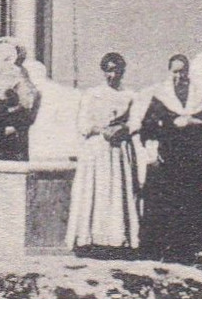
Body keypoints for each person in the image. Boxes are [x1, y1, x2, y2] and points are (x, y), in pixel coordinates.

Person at [139, 54, 202, 260]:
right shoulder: (161, 96)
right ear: (169, 72)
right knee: (168, 198)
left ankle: (189, 248)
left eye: (182, 71)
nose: (179, 75)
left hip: (195, 156)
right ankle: (163, 247)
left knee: (192, 199)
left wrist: (194, 121)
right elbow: (147, 126)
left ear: (188, 71)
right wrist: (160, 137)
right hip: (170, 154)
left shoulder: (198, 97)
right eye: (175, 71)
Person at [67, 52, 140, 253]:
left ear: (122, 72)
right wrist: (102, 130)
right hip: (96, 149)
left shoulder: (130, 96)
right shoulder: (91, 94)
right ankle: (88, 239)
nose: (112, 75)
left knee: (117, 190)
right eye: (108, 70)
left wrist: (122, 129)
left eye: (116, 71)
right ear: (103, 71)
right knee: (95, 189)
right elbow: (83, 123)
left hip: (119, 151)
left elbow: (136, 121)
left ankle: (117, 240)